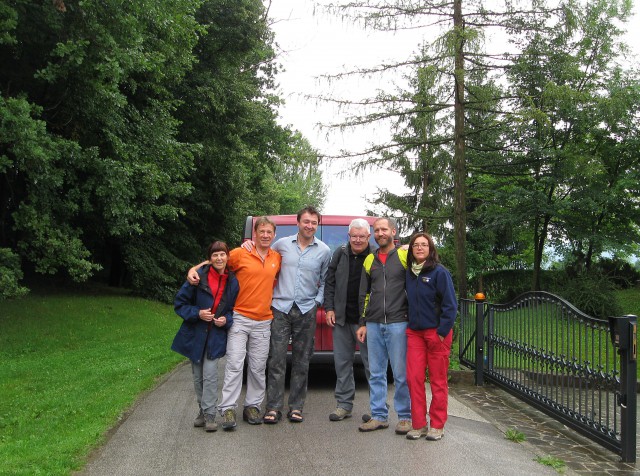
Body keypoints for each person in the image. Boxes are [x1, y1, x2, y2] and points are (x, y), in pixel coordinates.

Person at [187, 217, 281, 431]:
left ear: (274, 235)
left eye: (269, 232)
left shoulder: (277, 257)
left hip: (264, 321)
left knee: (258, 368)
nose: (265, 235)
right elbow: (215, 262)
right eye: (262, 232)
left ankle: (253, 406)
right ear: (255, 234)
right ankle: (228, 407)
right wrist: (193, 269)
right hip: (239, 317)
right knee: (235, 364)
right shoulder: (240, 253)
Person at [259, 206, 331, 424]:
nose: (309, 226)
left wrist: (317, 302)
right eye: (306, 221)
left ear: (317, 225)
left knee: (302, 361)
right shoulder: (281, 245)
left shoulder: (324, 250)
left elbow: (326, 280)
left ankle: (296, 407)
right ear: (297, 222)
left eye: (314, 223)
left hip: (306, 310)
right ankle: (273, 408)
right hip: (280, 309)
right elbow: (260, 256)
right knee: (276, 360)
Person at [173, 241, 239, 432]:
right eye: (215, 255)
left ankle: (210, 415)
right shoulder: (197, 278)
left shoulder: (232, 281)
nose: (219, 258)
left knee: (210, 375)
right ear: (210, 258)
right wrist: (197, 313)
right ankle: (202, 411)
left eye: (222, 254)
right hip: (196, 335)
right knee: (197, 376)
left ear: (228, 257)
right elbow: (180, 303)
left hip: (215, 336)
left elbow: (234, 310)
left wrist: (225, 320)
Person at [357, 217, 412, 435]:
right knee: (376, 373)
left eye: (384, 229)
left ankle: (405, 417)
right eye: (376, 230)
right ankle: (378, 415)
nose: (380, 233)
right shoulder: (369, 260)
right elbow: (364, 293)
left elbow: (423, 269)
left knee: (400, 373)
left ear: (393, 232)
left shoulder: (403, 255)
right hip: (374, 323)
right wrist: (363, 322)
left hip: (399, 322)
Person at [404, 232, 457, 441]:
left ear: (431, 249)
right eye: (415, 245)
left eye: (424, 245)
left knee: (438, 380)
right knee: (414, 378)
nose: (419, 248)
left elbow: (450, 305)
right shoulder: (409, 272)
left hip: (437, 333)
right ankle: (418, 424)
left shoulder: (439, 273)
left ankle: (437, 424)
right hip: (415, 333)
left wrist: (442, 332)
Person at [324, 218, 371, 422]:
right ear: (349, 236)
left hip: (367, 322)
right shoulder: (340, 253)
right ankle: (344, 405)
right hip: (342, 319)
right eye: (354, 236)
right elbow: (330, 282)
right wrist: (329, 308)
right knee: (342, 364)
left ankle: (377, 409)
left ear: (369, 237)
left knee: (373, 366)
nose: (358, 240)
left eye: (362, 236)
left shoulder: (377, 256)